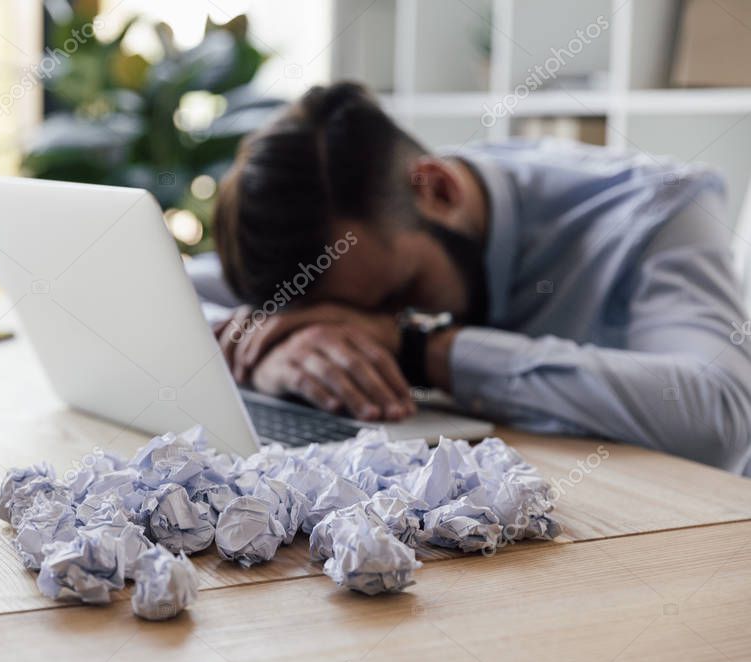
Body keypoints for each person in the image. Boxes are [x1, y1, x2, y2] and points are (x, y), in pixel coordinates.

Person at [211, 81, 751, 474]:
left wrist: (420, 348)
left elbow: (719, 417)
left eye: (400, 298)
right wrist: (273, 347)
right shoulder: (362, 243)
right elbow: (170, 295)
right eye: (334, 320)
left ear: (440, 190)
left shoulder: (660, 209)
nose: (357, 331)